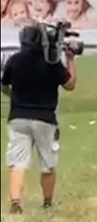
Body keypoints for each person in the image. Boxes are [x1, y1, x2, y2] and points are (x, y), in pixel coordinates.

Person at [1, 23, 77, 214]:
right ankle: (47, 203)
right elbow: (70, 84)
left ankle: (16, 201)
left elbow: (4, 85)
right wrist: (70, 59)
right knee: (47, 163)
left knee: (18, 163)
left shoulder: (15, 60)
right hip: (45, 118)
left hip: (18, 117)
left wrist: (15, 97)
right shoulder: (51, 62)